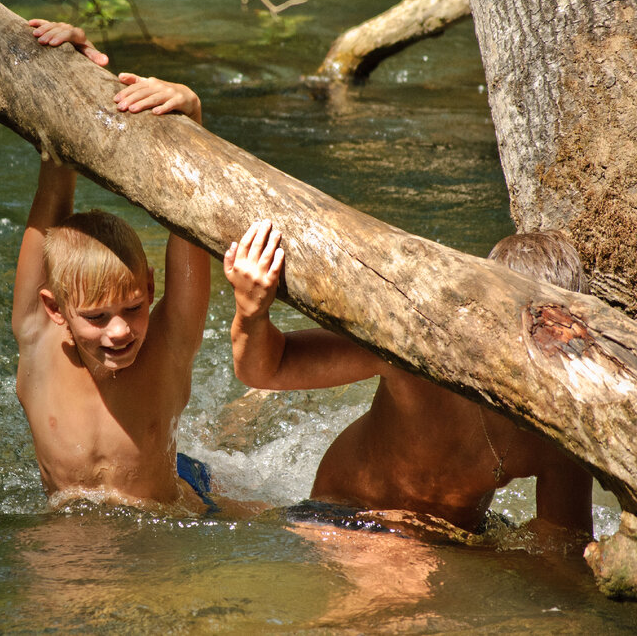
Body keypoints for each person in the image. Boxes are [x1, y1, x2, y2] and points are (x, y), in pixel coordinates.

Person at [222, 222, 594, 541]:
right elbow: (264, 370)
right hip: (350, 516)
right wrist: (251, 310)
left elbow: (563, 556)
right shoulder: (421, 351)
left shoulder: (562, 424)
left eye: (552, 337)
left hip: (452, 537)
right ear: (481, 309)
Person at [12, 19, 217, 515]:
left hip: (179, 500)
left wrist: (192, 119)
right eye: (97, 317)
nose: (121, 330)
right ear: (54, 309)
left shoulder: (168, 344)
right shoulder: (36, 334)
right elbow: (56, 169)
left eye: (134, 306)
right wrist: (71, 76)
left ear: (151, 288)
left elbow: (191, 218)